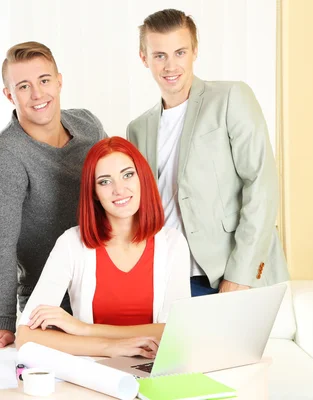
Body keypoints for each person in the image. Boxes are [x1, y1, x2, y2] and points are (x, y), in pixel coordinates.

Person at [127, 9, 289, 297]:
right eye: (159, 55)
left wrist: (240, 275)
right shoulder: (138, 129)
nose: (170, 65)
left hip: (226, 275)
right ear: (144, 58)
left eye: (180, 52)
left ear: (195, 51)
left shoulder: (230, 98)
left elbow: (261, 184)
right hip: (166, 278)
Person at [0, 41, 107, 349]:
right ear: (9, 95)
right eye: (23, 86)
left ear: (59, 80)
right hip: (52, 308)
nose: (38, 94)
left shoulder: (89, 126)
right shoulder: (4, 158)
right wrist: (4, 323)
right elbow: (0, 246)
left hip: (108, 294)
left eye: (44, 80)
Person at [15, 137, 190, 357]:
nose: (119, 189)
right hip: (95, 370)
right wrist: (110, 348)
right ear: (94, 194)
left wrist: (84, 330)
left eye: (128, 175)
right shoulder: (71, 244)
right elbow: (26, 336)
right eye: (105, 181)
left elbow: (178, 333)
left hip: (155, 369)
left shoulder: (173, 244)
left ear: (142, 179)